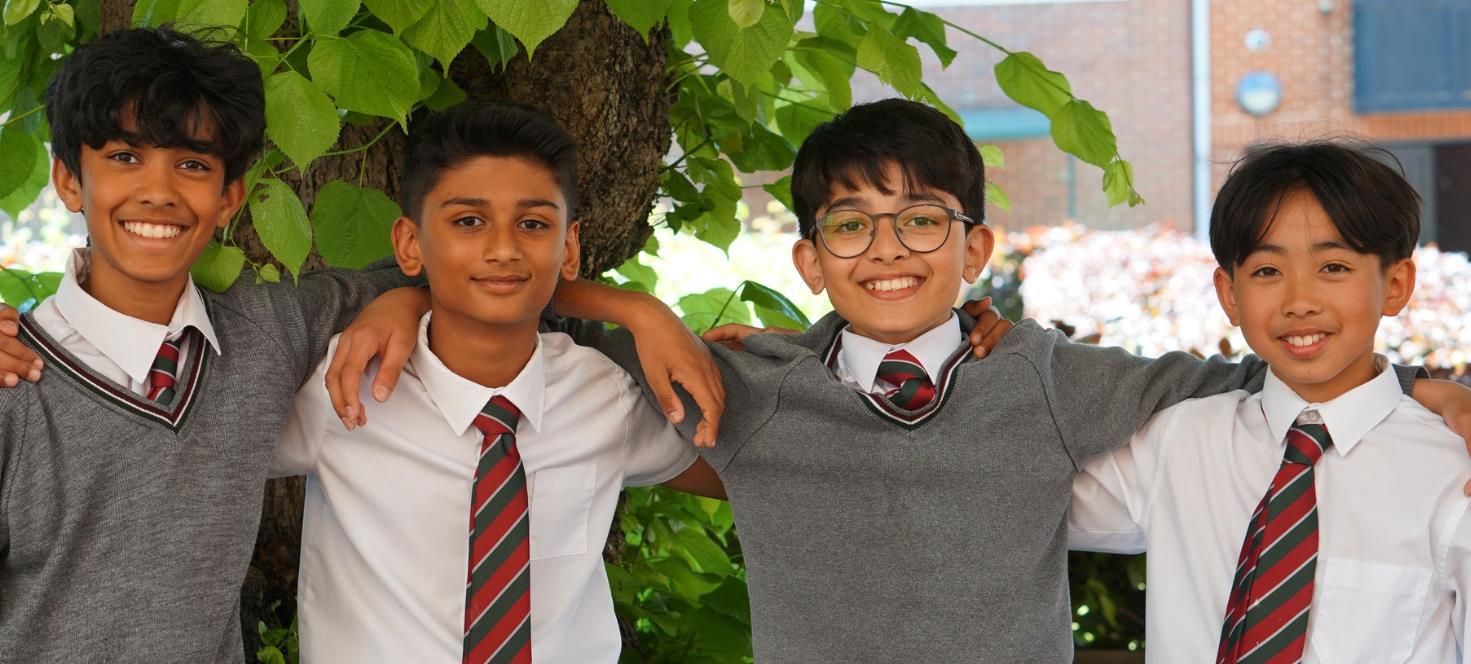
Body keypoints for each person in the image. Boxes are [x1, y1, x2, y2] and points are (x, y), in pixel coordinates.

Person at [329, 100, 1467, 661]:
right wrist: (629, 306)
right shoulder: (745, 388)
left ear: (975, 248)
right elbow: (500, 296)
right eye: (851, 225)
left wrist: (1421, 389)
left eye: (922, 220)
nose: (888, 250)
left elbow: (1264, 368)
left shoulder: (1049, 377)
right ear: (808, 259)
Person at [0, 27, 421, 660]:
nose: (159, 191)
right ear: (67, 181)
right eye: (125, 157)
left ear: (229, 198)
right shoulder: (11, 384)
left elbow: (466, 276)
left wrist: (406, 301)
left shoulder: (265, 331)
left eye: (192, 164)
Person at [270, 102, 724, 664]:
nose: (504, 249)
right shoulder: (342, 387)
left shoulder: (604, 397)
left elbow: (759, 474)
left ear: (569, 248)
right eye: (468, 221)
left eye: (533, 224)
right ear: (409, 245)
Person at [1068, 141, 1471, 662]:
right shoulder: (1177, 443)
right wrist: (982, 348)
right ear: (1229, 294)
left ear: (1395, 284)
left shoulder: (1451, 471)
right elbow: (1002, 494)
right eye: (1266, 271)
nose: (1299, 302)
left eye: (1334, 267)